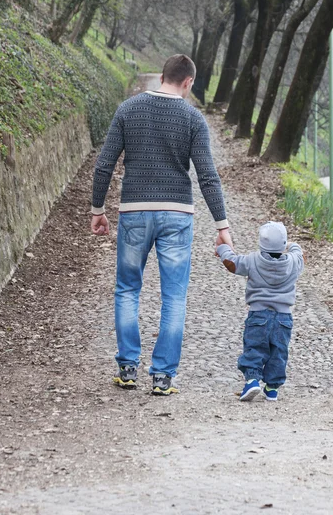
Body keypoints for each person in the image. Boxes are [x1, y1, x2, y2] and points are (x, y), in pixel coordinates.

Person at [91, 54, 232, 396]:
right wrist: (222, 225)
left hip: (134, 212)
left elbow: (104, 165)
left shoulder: (128, 109)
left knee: (127, 289)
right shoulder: (193, 119)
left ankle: (127, 368)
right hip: (177, 215)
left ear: (163, 76)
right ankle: (162, 376)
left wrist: (98, 209)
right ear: (187, 82)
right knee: (174, 297)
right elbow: (207, 177)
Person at [216, 222, 304, 402]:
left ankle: (252, 380)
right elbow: (298, 251)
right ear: (283, 244)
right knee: (278, 351)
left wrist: (222, 248)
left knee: (254, 348)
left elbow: (233, 262)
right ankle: (272, 388)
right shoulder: (294, 262)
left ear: (261, 244)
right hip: (283, 318)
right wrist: (288, 245)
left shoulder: (253, 260)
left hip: (258, 315)